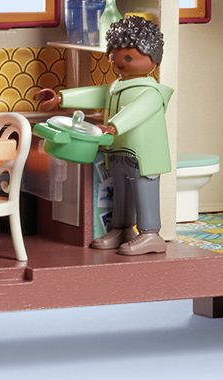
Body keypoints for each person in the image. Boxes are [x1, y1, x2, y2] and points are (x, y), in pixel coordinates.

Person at [36, 16, 173, 255]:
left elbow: (137, 111)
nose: (119, 64)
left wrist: (114, 126)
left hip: (144, 155)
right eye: (114, 58)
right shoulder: (116, 86)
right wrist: (61, 98)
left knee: (144, 192)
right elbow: (96, 94)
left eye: (128, 58)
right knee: (121, 192)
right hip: (119, 150)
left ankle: (151, 233)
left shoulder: (152, 92)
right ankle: (122, 228)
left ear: (152, 58)